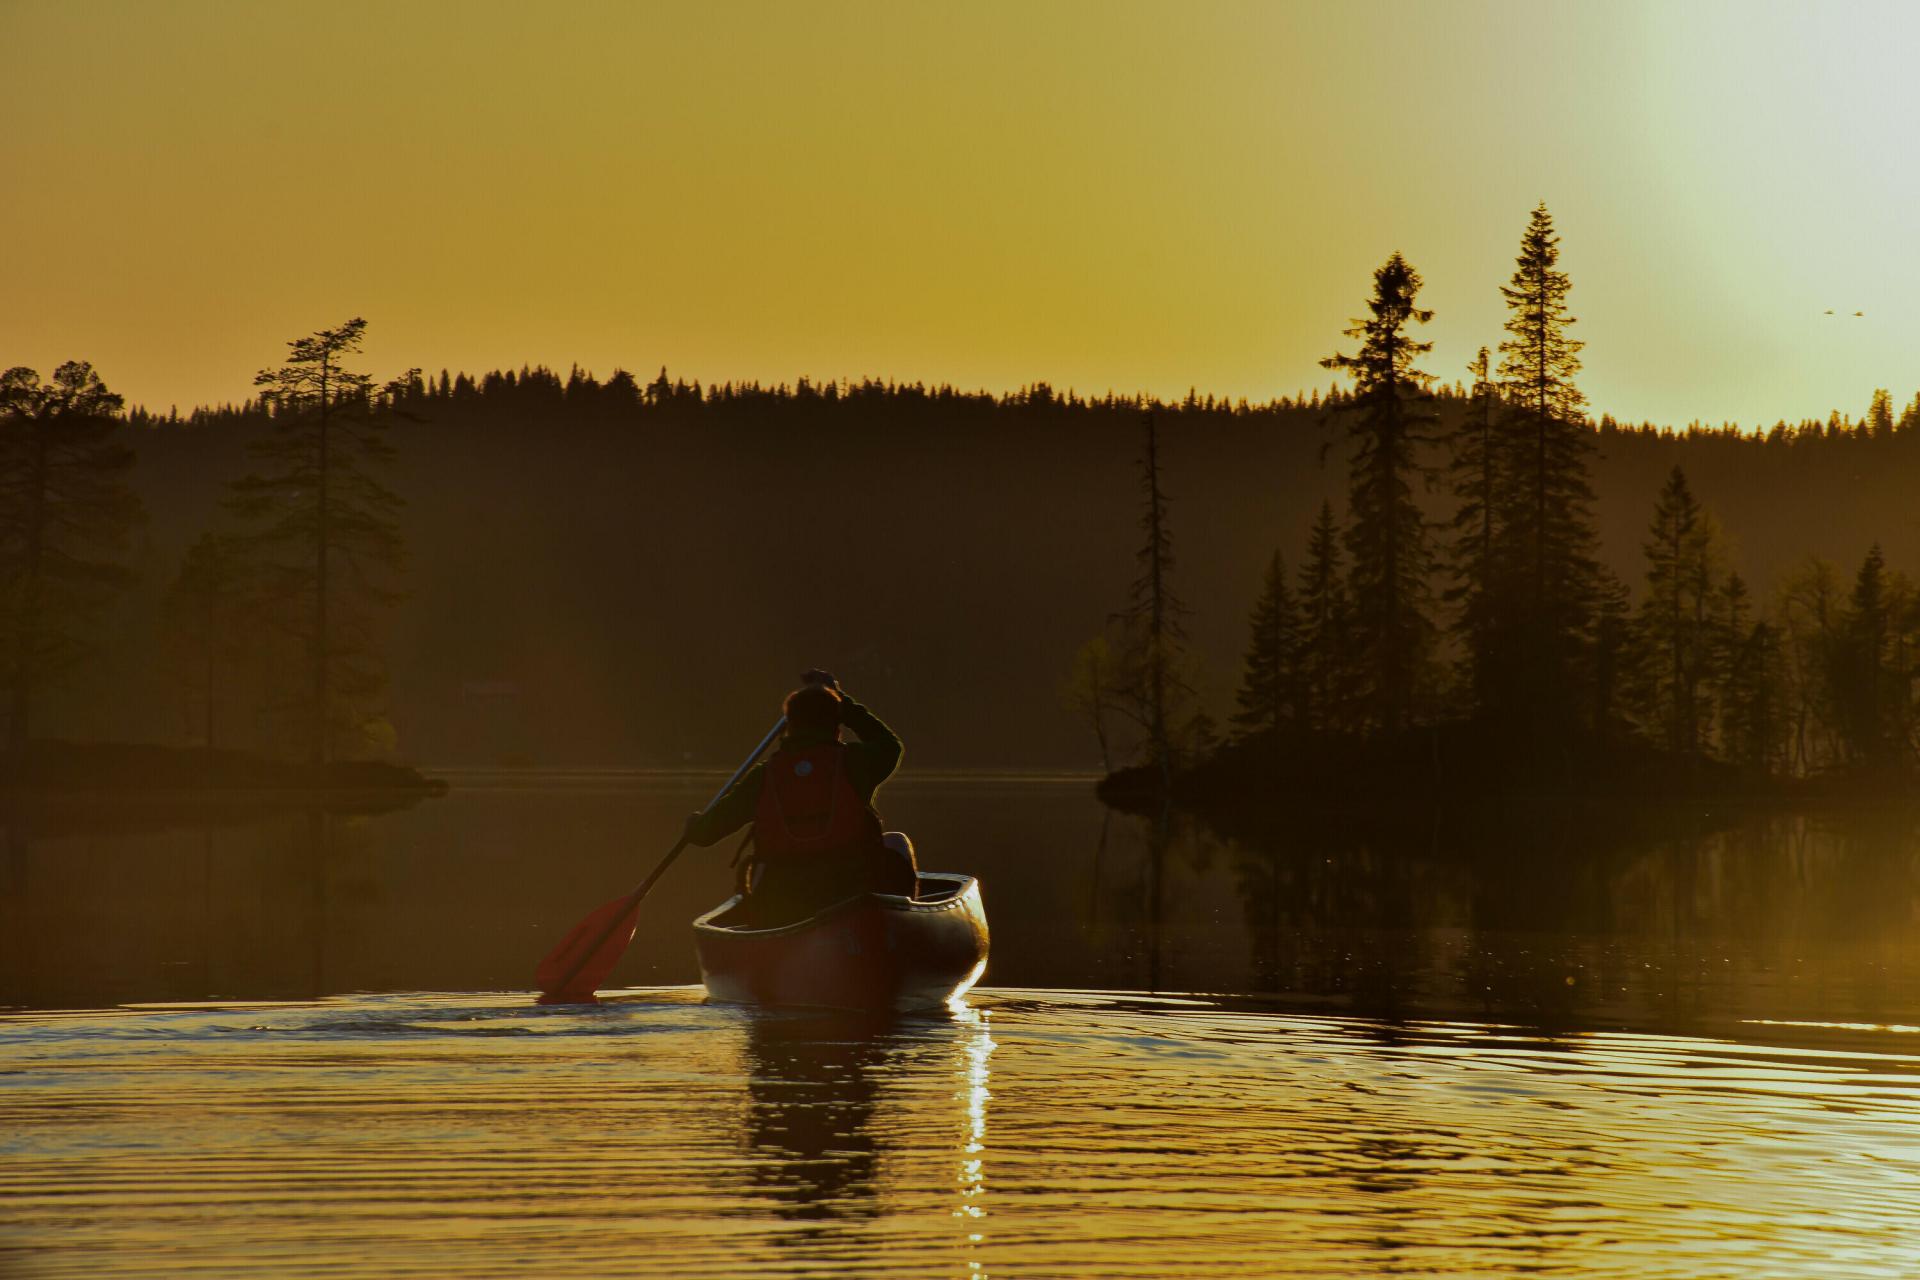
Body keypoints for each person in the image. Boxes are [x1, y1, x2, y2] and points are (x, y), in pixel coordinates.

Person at [683, 670, 917, 925]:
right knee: (897, 843)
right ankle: (897, 927)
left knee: (760, 868)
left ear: (789, 728)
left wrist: (696, 824)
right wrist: (843, 702)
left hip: (782, 897)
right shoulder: (855, 762)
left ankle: (768, 929)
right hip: (849, 891)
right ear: (837, 727)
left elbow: (705, 835)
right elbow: (890, 746)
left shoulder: (764, 776)